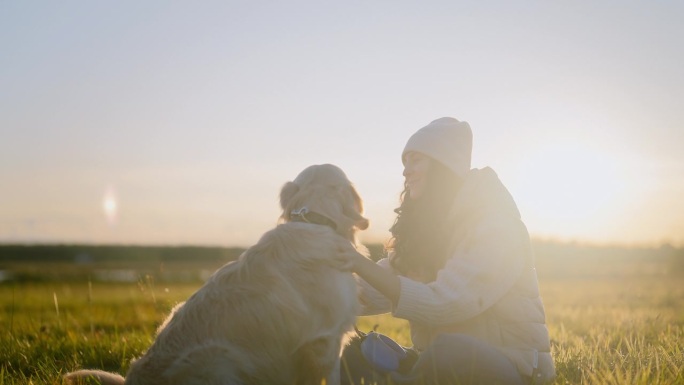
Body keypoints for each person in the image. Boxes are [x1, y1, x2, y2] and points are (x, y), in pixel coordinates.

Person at [342, 117, 555, 385]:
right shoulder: (426, 233)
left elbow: (445, 303)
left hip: (515, 369)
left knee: (448, 352)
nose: (406, 172)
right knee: (356, 352)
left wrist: (357, 262)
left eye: (416, 160)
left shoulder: (496, 226)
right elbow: (371, 290)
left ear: (444, 165)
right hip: (438, 361)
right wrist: (302, 286)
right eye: (405, 162)